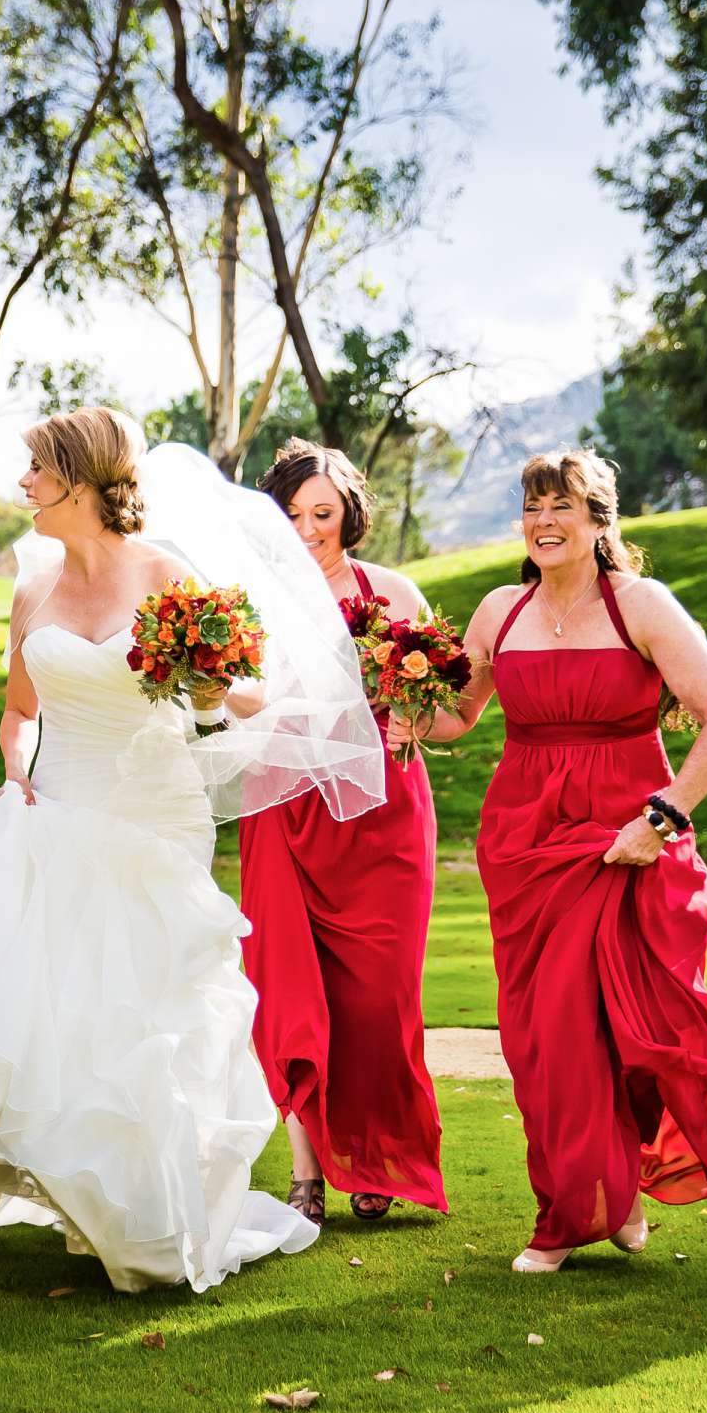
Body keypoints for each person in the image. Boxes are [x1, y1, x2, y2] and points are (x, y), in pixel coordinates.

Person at [0, 407, 388, 1292]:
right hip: (60, 804)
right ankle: (52, 1183)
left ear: (78, 481)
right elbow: (19, 713)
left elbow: (241, 694)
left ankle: (147, 1207)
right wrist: (16, 769)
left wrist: (213, 682)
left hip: (154, 812)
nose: (25, 487)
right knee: (48, 1001)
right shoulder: (33, 590)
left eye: (36, 471)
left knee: (140, 1011)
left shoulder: (165, 573)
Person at [407, 449, 707, 1273]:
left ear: (600, 520)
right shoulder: (498, 611)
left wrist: (661, 820)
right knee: (545, 1036)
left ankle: (612, 1189)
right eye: (532, 506)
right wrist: (404, 713)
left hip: (627, 840)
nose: (544, 521)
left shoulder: (643, 605)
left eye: (562, 505)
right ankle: (571, 1209)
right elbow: (459, 718)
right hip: (525, 839)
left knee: (636, 1033)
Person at [238, 438, 446, 1227]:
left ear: (348, 514)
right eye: (291, 515)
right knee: (289, 989)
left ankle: (379, 1159)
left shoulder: (392, 592)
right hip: (283, 808)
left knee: (380, 1000)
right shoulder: (246, 599)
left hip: (383, 816)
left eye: (322, 513)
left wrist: (410, 718)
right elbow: (231, 696)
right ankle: (306, 1172)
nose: (308, 530)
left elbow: (445, 702)